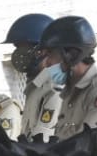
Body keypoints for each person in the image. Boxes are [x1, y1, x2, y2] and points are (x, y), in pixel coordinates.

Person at [4, 13, 61, 142]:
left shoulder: (54, 89)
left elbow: (42, 142)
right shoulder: (36, 86)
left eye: (23, 48)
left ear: (43, 50)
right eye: (17, 48)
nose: (18, 54)